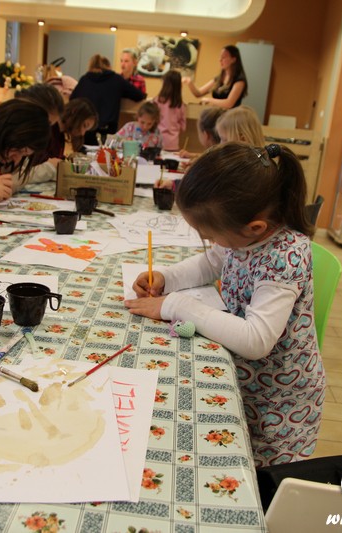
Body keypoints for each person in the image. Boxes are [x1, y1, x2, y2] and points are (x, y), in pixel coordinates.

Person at [124, 142, 324, 467]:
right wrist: (166, 278)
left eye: (211, 236)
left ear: (254, 227)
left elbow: (256, 340)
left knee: (253, 475)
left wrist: (176, 305)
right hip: (244, 376)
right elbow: (212, 262)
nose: (211, 243)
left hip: (275, 401)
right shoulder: (246, 234)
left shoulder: (282, 258)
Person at [71, 54, 145, 146]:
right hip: (106, 130)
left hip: (85, 128)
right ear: (108, 66)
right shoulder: (116, 79)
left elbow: (72, 99)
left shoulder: (84, 79)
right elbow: (139, 96)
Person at [153, 70, 187, 151]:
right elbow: (183, 127)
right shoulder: (181, 105)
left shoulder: (156, 101)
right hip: (173, 143)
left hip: (156, 140)